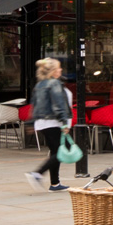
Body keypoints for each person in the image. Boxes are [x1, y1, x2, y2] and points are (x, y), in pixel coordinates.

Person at [25, 59, 74, 192]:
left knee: (55, 151)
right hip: (54, 122)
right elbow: (59, 105)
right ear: (53, 71)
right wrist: (64, 123)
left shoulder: (40, 85)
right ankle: (37, 174)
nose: (61, 70)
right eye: (59, 68)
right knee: (63, 149)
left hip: (43, 123)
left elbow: (33, 106)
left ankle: (55, 184)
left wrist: (30, 123)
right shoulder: (54, 83)